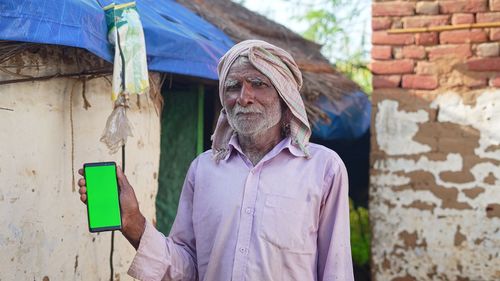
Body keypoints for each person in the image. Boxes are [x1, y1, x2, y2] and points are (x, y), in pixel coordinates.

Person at [78, 40, 354, 281]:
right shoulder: (204, 169)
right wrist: (133, 222)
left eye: (258, 84)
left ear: (284, 95)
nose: (244, 98)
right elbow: (187, 267)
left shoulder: (323, 168)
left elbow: (336, 269)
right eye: (233, 86)